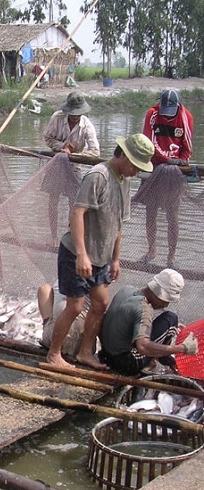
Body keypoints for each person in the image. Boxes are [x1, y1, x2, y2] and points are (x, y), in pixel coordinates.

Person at [45, 134, 155, 370]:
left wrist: (116, 259)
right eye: (135, 164)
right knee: (74, 306)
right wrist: (82, 255)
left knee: (100, 303)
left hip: (102, 257)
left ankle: (86, 352)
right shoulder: (98, 176)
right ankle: (54, 354)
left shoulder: (125, 180)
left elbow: (118, 224)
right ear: (124, 155)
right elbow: (77, 214)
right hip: (77, 252)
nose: (137, 171)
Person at [99, 269, 198, 375]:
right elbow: (142, 346)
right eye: (166, 300)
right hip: (126, 363)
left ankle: (162, 356)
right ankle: (157, 360)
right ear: (159, 293)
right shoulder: (144, 309)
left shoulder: (126, 290)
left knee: (169, 323)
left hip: (106, 354)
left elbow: (127, 319)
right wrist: (181, 348)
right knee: (171, 318)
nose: (166, 305)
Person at [135, 89, 194, 268]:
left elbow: (187, 146)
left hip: (173, 173)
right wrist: (166, 159)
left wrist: (180, 162)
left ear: (177, 107)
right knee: (150, 213)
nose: (167, 114)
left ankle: (171, 257)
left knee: (172, 215)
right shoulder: (152, 114)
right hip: (154, 168)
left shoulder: (186, 117)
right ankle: (152, 249)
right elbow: (149, 143)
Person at [42, 92, 100, 248]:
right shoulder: (57, 118)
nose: (75, 117)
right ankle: (53, 237)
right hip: (56, 163)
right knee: (52, 201)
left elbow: (95, 151)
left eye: (78, 114)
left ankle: (71, 236)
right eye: (72, 114)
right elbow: (48, 138)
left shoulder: (86, 126)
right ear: (67, 111)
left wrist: (75, 154)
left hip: (74, 166)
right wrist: (63, 147)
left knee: (74, 204)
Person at [37, 283, 89, 358]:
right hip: (81, 346)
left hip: (52, 338)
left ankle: (47, 324)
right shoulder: (99, 280)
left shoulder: (64, 280)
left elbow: (43, 289)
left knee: (45, 288)